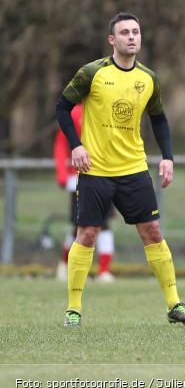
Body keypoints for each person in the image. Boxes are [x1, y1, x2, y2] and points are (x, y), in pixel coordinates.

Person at [56, 12, 185, 327]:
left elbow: (159, 118)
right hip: (96, 170)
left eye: (136, 32)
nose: (132, 37)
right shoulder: (92, 73)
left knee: (153, 232)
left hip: (133, 170)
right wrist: (76, 146)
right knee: (88, 234)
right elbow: (62, 107)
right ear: (112, 39)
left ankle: (175, 304)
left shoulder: (148, 78)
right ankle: (73, 309)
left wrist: (168, 156)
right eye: (124, 33)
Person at [54, 103, 116, 283]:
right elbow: (61, 143)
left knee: (104, 224)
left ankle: (104, 271)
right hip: (79, 179)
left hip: (106, 176)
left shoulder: (108, 110)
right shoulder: (74, 113)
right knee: (80, 226)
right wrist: (62, 173)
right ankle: (64, 265)